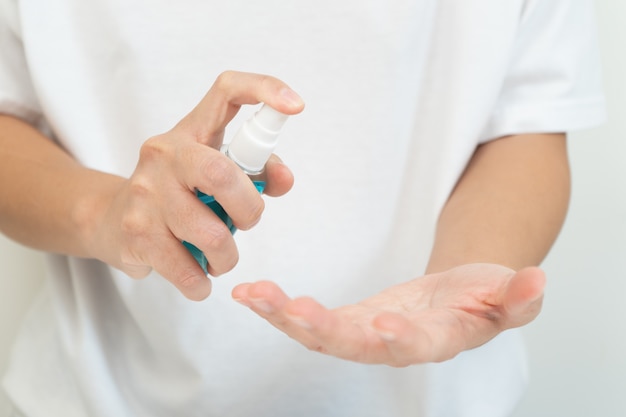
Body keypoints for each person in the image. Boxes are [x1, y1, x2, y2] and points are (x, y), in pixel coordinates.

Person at [0, 1, 605, 416]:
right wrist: (106, 215)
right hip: (101, 395)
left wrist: (462, 276)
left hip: (432, 399)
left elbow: (527, 127)